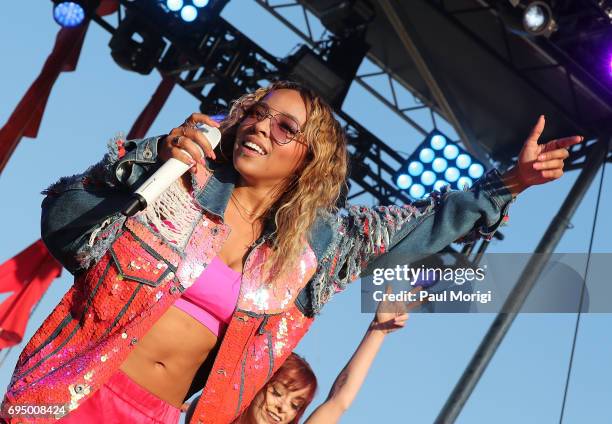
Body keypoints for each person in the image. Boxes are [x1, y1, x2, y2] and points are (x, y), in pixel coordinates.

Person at [1, 80, 581, 424]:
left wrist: (511, 182)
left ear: (309, 158)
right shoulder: (179, 178)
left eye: (284, 127)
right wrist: (149, 159)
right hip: (69, 394)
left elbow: (419, 227)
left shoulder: (316, 248)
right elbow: (63, 221)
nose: (259, 127)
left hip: (160, 414)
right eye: (256, 113)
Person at [184, 285, 420, 424]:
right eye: (277, 392)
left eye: (296, 405)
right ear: (256, 386)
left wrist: (377, 333)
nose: (282, 408)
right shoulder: (210, 409)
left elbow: (339, 401)